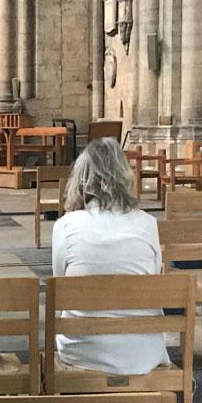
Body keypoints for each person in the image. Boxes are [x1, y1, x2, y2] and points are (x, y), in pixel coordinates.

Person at [52, 138, 170, 374]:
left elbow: (60, 288)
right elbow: (153, 274)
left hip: (84, 349)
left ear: (81, 179)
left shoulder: (66, 226)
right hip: (143, 350)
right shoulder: (148, 224)